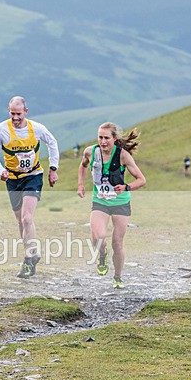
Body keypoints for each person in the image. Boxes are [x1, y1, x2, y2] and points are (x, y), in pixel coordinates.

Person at [0, 96, 60, 278]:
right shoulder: (1, 130)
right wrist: (1, 170)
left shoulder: (36, 128)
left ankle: (28, 260)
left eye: (18, 114)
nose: (15, 118)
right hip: (12, 179)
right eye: (12, 113)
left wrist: (53, 168)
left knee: (27, 218)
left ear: (26, 112)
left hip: (33, 176)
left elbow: (52, 143)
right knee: (21, 220)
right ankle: (33, 252)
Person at [77, 122, 147, 289]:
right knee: (97, 237)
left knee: (117, 242)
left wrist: (126, 187)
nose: (102, 141)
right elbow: (83, 165)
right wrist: (80, 184)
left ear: (115, 139)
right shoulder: (91, 151)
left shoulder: (123, 156)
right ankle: (102, 255)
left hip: (120, 203)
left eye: (106, 138)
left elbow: (142, 180)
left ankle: (117, 277)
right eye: (100, 137)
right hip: (100, 200)